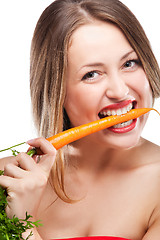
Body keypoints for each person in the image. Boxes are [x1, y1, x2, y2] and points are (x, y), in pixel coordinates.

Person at [0, 0, 160, 239]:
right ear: (56, 91)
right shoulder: (9, 177)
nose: (119, 91)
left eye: (129, 63)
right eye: (91, 74)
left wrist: (22, 227)